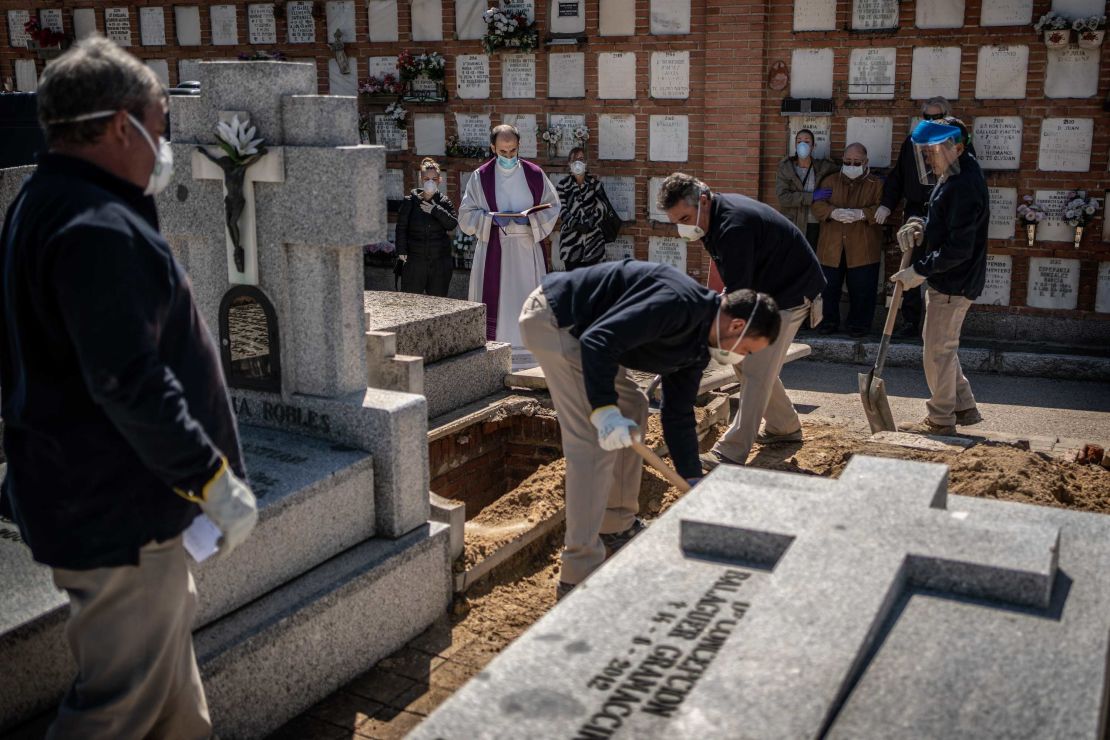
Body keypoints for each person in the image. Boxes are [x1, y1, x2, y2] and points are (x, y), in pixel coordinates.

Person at [0, 38, 257, 737]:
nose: (163, 147)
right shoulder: (97, 226)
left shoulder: (48, 201)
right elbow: (128, 380)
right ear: (121, 126)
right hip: (118, 510)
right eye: (161, 127)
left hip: (96, 498)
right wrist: (210, 478)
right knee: (116, 711)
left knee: (175, 710)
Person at [518, 259, 781, 599]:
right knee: (592, 445)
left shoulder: (699, 346)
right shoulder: (676, 303)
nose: (741, 357)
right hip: (557, 321)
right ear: (737, 325)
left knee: (634, 405)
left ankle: (616, 524)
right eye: (746, 349)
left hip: (588, 336)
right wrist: (602, 410)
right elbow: (599, 341)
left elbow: (678, 413)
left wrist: (692, 479)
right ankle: (578, 574)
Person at [658, 172, 826, 472]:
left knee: (757, 369)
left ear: (704, 201)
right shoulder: (712, 221)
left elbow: (740, 297)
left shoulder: (733, 226)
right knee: (742, 362)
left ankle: (731, 452)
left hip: (790, 294)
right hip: (767, 289)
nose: (682, 227)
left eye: (684, 217)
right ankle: (784, 427)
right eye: (676, 222)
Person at [889, 117, 987, 436]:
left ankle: (941, 419)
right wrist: (919, 223)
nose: (929, 159)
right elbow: (939, 217)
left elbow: (959, 247)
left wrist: (918, 270)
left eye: (933, 151)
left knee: (937, 351)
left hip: (953, 282)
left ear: (956, 147)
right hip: (951, 281)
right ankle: (963, 405)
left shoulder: (964, 184)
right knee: (942, 346)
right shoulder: (953, 175)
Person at [459, 123, 560, 370]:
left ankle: (531, 358)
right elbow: (465, 216)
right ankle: (495, 356)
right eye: (502, 152)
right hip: (495, 248)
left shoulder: (535, 174)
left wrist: (530, 219)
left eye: (512, 151)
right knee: (500, 306)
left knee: (527, 300)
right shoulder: (480, 177)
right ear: (493, 148)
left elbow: (553, 207)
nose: (508, 157)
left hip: (526, 248)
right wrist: (491, 218)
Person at [878, 96, 951, 339]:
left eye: (936, 117)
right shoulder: (911, 141)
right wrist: (887, 205)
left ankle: (938, 327)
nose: (931, 121)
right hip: (915, 209)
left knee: (940, 264)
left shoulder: (954, 143)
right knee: (909, 265)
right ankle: (910, 321)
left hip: (942, 210)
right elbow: (898, 176)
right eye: (927, 117)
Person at [810, 142, 884, 338]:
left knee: (862, 288)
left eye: (856, 162)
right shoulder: (830, 181)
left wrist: (863, 214)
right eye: (848, 161)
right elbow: (817, 205)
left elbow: (885, 210)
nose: (852, 165)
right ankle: (828, 322)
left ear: (866, 161)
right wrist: (832, 212)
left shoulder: (876, 184)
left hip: (863, 245)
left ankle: (859, 325)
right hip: (831, 245)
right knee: (828, 287)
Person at [396, 157, 458, 297]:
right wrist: (401, 250)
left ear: (439, 180)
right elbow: (401, 227)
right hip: (415, 261)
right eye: (426, 179)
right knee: (410, 302)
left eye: (434, 179)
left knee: (437, 302)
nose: (430, 182)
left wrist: (435, 210)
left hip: (439, 262)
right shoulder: (410, 201)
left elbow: (452, 223)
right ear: (421, 179)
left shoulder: (444, 201)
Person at [775, 128, 838, 250]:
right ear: (795, 145)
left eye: (807, 141)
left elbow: (844, 171)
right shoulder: (786, 168)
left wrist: (873, 175)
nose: (802, 144)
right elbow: (783, 198)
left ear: (813, 146)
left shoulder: (823, 167)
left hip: (815, 223)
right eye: (799, 141)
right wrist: (812, 197)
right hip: (793, 223)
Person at [556, 147, 609, 270]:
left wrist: (590, 223)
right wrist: (576, 224)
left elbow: (603, 207)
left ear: (586, 162)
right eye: (574, 159)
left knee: (593, 283)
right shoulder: (562, 185)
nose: (577, 162)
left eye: (581, 159)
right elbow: (560, 208)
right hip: (571, 245)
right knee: (574, 284)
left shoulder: (595, 184)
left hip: (593, 243)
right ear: (569, 163)